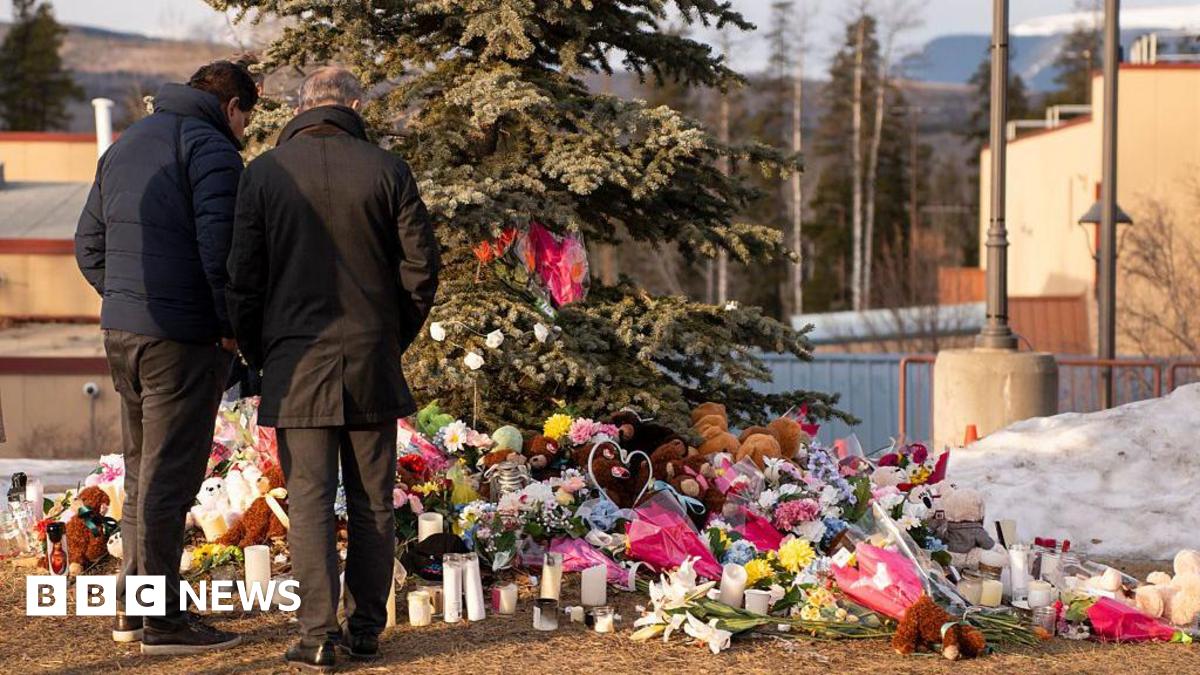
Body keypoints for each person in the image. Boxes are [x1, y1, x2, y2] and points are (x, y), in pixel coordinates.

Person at [227, 67, 439, 671]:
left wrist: (262, 350)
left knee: (312, 500)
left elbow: (243, 278)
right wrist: (389, 336)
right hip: (370, 355)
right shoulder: (387, 169)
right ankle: (367, 628)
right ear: (351, 104)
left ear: (300, 107)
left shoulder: (264, 173)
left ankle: (318, 631)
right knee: (373, 501)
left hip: (295, 360)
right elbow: (420, 268)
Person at [74, 60, 257, 654]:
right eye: (248, 120)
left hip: (124, 335)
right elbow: (220, 251)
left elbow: (88, 244)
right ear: (232, 106)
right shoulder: (212, 150)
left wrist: (125, 300)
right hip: (181, 341)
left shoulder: (129, 143)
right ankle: (164, 622)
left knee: (142, 472)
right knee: (168, 483)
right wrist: (230, 328)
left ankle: (132, 609)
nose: (247, 132)